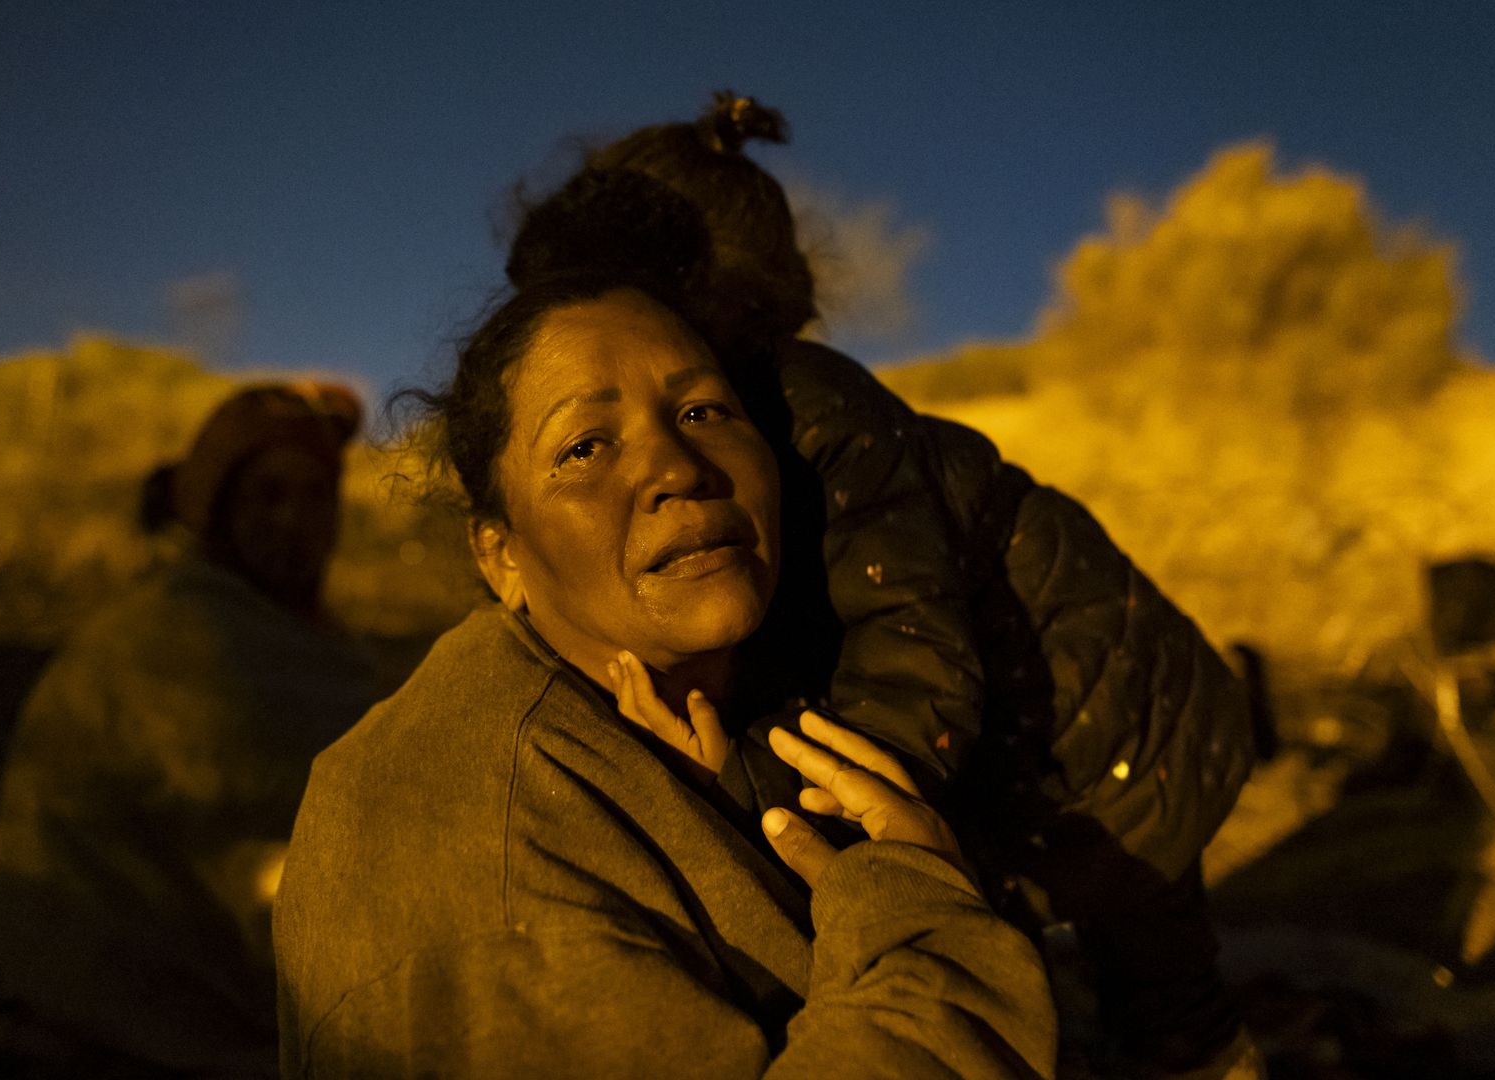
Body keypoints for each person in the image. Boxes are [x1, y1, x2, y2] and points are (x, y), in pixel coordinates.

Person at [511, 94, 1261, 1076]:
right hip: (1025, 762)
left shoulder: (808, 413)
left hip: (1119, 750)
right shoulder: (723, 436)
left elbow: (911, 648)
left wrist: (791, 807)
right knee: (1028, 962)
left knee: (1161, 991)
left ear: (683, 292)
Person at [274, 276, 1059, 1078]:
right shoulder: (456, 847)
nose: (678, 469)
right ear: (500, 554)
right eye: (585, 447)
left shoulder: (670, 734)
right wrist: (923, 917)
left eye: (703, 413)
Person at [0, 383, 385, 1077]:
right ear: (218, 512)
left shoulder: (295, 634)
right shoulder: (174, 640)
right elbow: (271, 845)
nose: (296, 521)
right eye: (268, 495)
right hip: (118, 1017)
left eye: (317, 496)